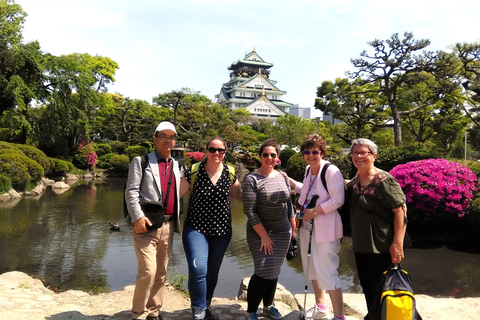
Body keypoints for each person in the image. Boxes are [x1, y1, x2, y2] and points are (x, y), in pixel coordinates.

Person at [125, 121, 188, 320]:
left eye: (171, 137)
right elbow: (131, 191)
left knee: (161, 272)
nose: (167, 140)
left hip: (168, 225)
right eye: (163, 136)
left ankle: (154, 311)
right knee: (148, 271)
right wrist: (137, 216)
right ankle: (138, 313)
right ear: (155, 139)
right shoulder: (141, 161)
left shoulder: (177, 165)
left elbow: (181, 191)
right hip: (146, 224)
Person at [182, 137, 242, 320]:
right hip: (196, 227)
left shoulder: (230, 173)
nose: (217, 153)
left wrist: (273, 195)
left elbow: (242, 196)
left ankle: (206, 304)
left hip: (221, 230)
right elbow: (175, 195)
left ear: (225, 152)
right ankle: (198, 309)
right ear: (206, 150)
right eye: (213, 149)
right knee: (199, 267)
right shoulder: (193, 171)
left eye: (221, 150)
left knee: (213, 270)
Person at [289, 134, 346, 320]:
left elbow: (338, 199)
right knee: (311, 269)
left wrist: (314, 212)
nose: (311, 155)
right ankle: (321, 307)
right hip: (307, 228)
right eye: (307, 151)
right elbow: (306, 190)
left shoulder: (331, 171)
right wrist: (290, 182)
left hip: (326, 230)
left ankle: (339, 315)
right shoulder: (308, 170)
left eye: (315, 151)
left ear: (322, 152)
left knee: (328, 272)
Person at [347, 138, 407, 316]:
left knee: (385, 291)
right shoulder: (357, 179)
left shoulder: (383, 180)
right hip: (361, 245)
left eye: (362, 152)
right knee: (368, 288)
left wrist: (397, 244)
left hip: (381, 246)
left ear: (373, 156)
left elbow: (401, 211)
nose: (358, 156)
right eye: (355, 153)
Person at [242, 138, 295, 320]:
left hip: (282, 231)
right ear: (260, 156)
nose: (269, 158)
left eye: (273, 155)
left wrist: (293, 228)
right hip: (260, 232)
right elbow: (249, 210)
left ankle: (268, 306)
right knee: (263, 269)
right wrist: (264, 236)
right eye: (266, 155)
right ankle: (251, 311)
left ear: (277, 157)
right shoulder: (252, 179)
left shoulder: (283, 176)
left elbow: (289, 204)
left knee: (275, 270)